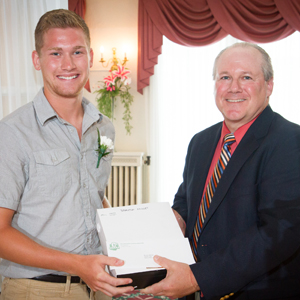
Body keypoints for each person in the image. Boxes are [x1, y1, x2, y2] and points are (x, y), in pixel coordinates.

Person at [141, 42, 300, 300]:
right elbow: (186, 204)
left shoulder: (289, 141)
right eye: (225, 77)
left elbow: (278, 232)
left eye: (246, 77)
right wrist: (156, 230)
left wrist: (197, 278)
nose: (233, 87)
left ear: (269, 85)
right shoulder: (201, 142)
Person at [0, 9, 134, 300]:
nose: (69, 64)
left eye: (77, 51)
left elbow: (93, 191)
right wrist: (77, 264)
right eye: (55, 53)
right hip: (37, 290)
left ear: (91, 56)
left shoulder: (105, 128)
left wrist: (130, 239)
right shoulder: (11, 133)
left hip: (98, 286)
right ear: (37, 60)